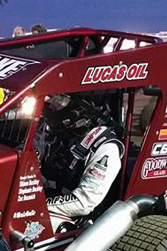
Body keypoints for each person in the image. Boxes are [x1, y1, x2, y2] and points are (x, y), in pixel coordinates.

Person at [42, 95, 123, 232]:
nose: (49, 103)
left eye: (57, 99)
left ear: (81, 106)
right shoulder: (57, 133)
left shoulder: (106, 148)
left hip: (79, 220)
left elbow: (84, 203)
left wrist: (39, 205)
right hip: (50, 198)